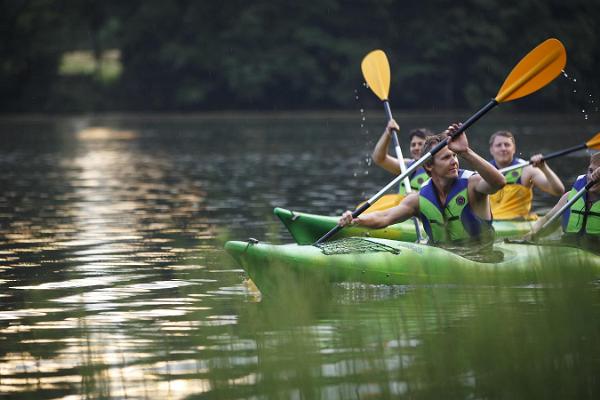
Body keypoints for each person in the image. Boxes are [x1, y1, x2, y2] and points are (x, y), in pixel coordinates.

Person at [340, 124, 506, 246]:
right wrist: (356, 219)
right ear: (428, 166)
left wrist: (466, 152)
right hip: (441, 257)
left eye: (455, 156)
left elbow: (499, 182)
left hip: (480, 256)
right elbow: (384, 217)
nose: (454, 161)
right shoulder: (418, 199)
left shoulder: (472, 184)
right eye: (446, 158)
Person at [527, 152, 600, 252]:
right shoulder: (569, 198)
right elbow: (547, 219)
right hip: (568, 250)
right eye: (590, 170)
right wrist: (533, 233)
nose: (592, 177)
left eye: (597, 173)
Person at [488, 130, 564, 220]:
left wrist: (544, 168)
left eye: (507, 145)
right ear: (491, 150)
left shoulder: (527, 170)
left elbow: (558, 191)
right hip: (490, 221)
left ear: (514, 149)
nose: (503, 148)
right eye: (498, 145)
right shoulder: (483, 171)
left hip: (517, 222)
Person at [371, 119, 433, 194]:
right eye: (413, 145)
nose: (416, 148)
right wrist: (388, 133)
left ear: (429, 147)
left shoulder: (437, 169)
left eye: (420, 144)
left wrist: (416, 196)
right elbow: (379, 159)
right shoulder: (406, 166)